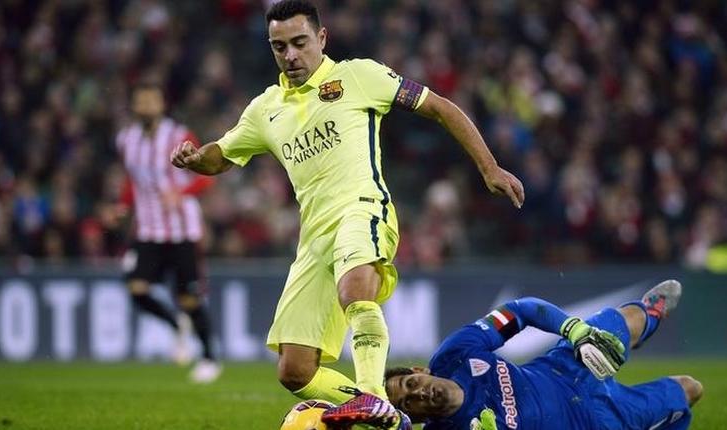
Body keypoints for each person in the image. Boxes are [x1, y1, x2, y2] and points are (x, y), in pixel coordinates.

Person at [171, 0, 523, 427]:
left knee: (357, 288)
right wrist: (195, 158)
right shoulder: (265, 110)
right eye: (279, 47)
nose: (290, 55)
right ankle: (392, 415)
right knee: (295, 371)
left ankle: (375, 397)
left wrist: (489, 167)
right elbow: (222, 156)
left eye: (299, 43)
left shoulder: (357, 76)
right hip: (314, 237)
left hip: (363, 209)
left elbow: (441, 107)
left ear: (321, 38)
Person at [385, 280, 703, 429]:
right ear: (416, 420)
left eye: (410, 384)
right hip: (593, 422)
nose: (418, 394)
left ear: (419, 370)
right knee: (690, 388)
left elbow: (520, 311)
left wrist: (574, 330)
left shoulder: (455, 353)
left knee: (626, 321)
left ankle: (650, 315)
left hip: (564, 367)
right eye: (407, 405)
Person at [115, 81, 221, 383]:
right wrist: (122, 206)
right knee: (136, 289)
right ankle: (177, 325)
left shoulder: (179, 136)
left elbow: (206, 177)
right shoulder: (126, 139)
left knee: (189, 298)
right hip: (147, 229)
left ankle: (210, 357)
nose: (147, 106)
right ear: (135, 106)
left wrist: (181, 191)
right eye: (142, 101)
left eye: (152, 100)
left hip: (182, 231)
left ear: (162, 105)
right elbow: (131, 180)